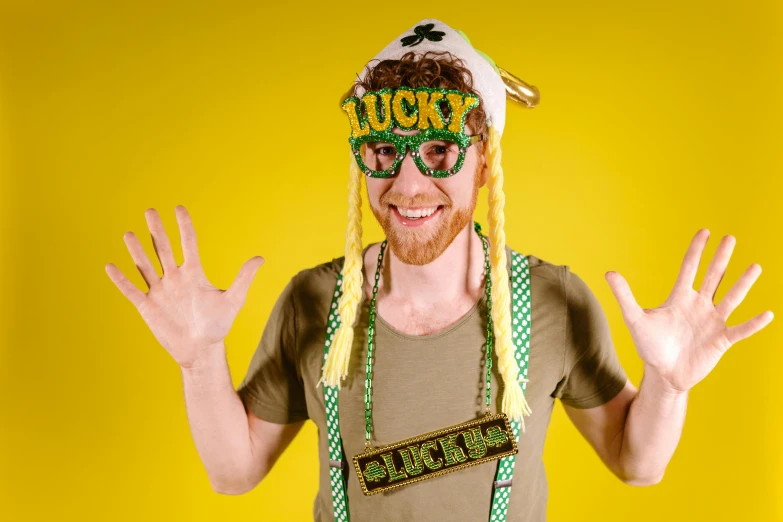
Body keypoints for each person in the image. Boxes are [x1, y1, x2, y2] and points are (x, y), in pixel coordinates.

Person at [104, 18, 774, 522]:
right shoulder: (314, 300)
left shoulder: (551, 302)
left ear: (484, 163)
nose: (407, 184)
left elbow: (638, 463)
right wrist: (199, 363)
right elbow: (233, 471)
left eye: (436, 149)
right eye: (383, 152)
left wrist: (668, 384)